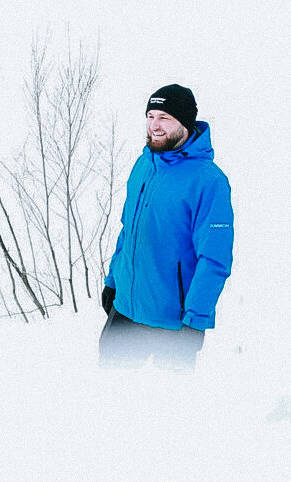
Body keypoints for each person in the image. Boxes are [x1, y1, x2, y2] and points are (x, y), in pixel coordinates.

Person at [98, 84, 234, 371]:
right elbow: (128, 231)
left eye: (164, 118)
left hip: (173, 323)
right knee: (108, 390)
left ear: (185, 123)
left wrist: (196, 320)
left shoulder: (209, 181)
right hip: (125, 310)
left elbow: (214, 259)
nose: (154, 125)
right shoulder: (144, 165)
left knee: (167, 397)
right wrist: (113, 281)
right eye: (150, 116)